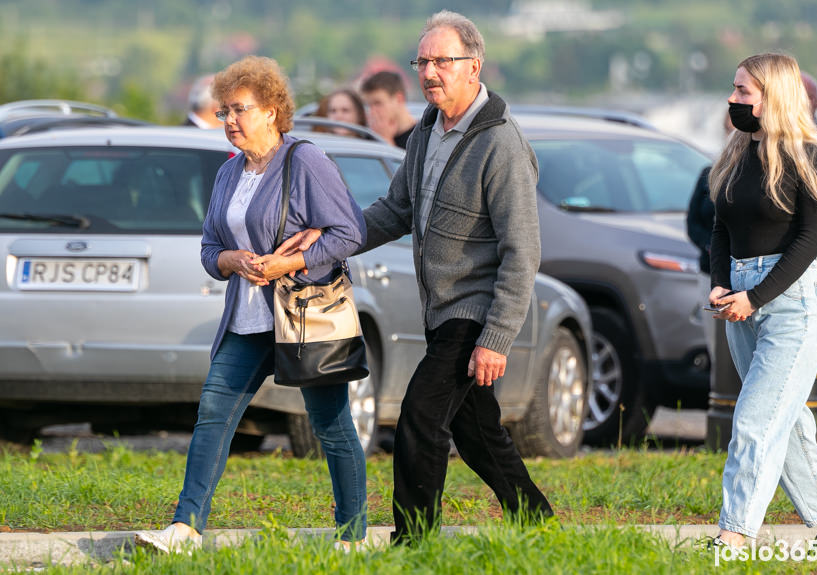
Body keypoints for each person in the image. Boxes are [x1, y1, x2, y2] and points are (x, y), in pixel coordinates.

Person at [292, 10, 554, 544]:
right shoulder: (426, 132)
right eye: (423, 61)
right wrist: (321, 244)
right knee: (477, 433)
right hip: (440, 315)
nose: (430, 71)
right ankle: (540, 525)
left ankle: (413, 546)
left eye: (443, 61)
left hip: (473, 315)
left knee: (418, 416)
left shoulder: (500, 142)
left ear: (474, 66)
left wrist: (496, 338)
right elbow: (394, 211)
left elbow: (522, 251)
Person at [135, 55, 368, 553]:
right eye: (224, 112)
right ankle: (185, 529)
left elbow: (351, 231)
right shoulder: (228, 174)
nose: (230, 121)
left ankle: (352, 536)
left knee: (331, 427)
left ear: (271, 111)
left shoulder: (305, 161)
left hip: (303, 320)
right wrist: (231, 260)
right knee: (213, 416)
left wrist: (292, 263)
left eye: (240, 109)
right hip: (246, 320)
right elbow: (207, 249)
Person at [708, 53, 817, 561]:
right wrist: (720, 284)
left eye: (743, 92)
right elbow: (720, 228)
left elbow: (809, 242)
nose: (733, 100)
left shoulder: (809, 154)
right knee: (788, 423)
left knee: (754, 422)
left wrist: (755, 297)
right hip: (740, 302)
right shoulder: (737, 152)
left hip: (789, 306)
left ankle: (733, 538)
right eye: (733, 89)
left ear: (773, 96)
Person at [360, 71, 417, 148]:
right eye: (368, 105)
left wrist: (385, 140)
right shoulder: (369, 135)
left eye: (378, 103)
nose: (372, 111)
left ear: (399, 99)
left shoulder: (422, 137)